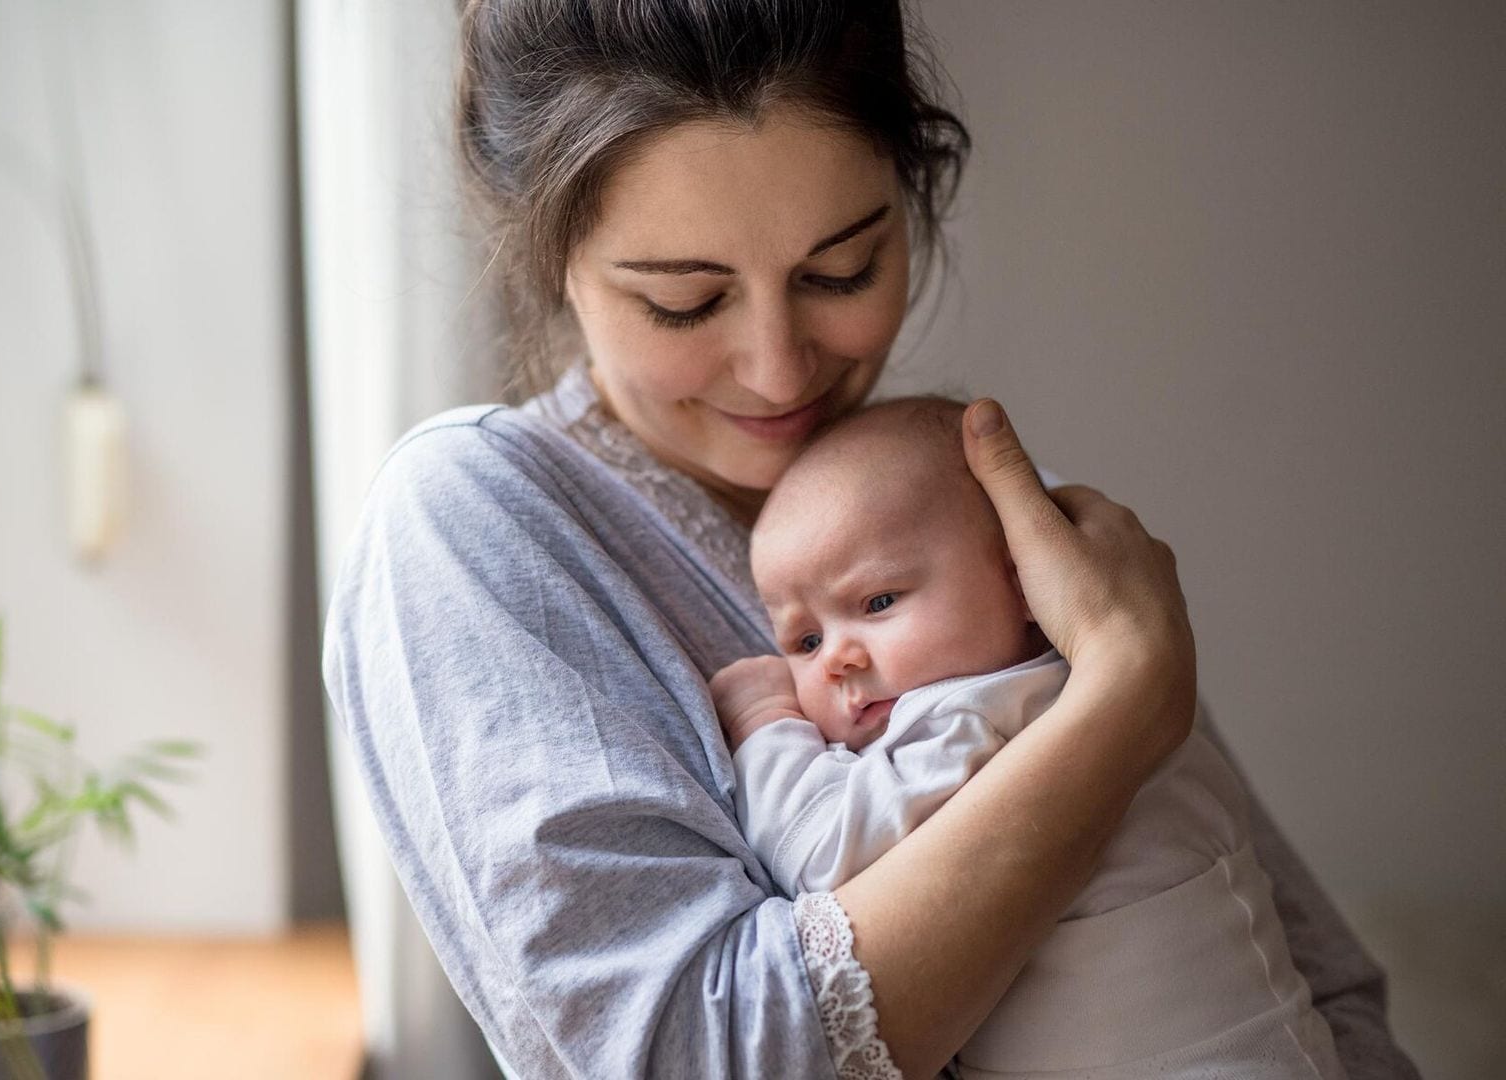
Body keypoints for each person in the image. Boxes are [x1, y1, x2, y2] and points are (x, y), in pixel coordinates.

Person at [323, 2, 1417, 1076]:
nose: (780, 368)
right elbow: (691, 1056)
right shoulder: (472, 522)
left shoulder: (956, 488)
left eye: (839, 271)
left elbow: (1309, 973)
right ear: (543, 252)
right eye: (686, 303)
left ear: (916, 185)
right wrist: (1124, 699)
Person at [714, 398, 1345, 1078]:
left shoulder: (979, 717)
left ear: (1023, 582)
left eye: (878, 602)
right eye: (804, 641)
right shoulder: (1087, 681)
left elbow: (825, 853)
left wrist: (766, 728)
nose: (838, 656)